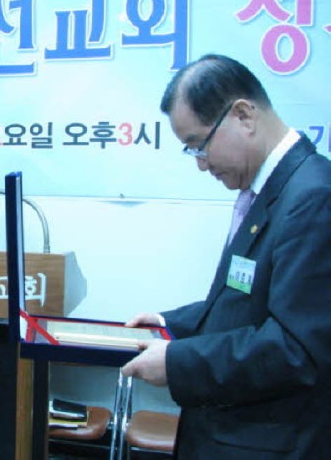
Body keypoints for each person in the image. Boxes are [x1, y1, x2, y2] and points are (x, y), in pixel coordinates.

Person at [121, 54, 331, 458]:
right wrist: (170, 324)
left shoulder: (313, 197)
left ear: (244, 116)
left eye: (199, 145)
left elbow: (296, 349)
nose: (201, 165)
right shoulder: (268, 191)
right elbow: (246, 300)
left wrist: (178, 362)